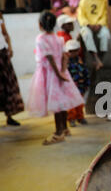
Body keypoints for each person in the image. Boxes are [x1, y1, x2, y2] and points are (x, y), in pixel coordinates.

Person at [27, 11, 84, 145]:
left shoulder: (41, 38)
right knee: (62, 102)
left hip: (50, 74)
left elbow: (50, 58)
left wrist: (58, 74)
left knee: (57, 104)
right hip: (60, 72)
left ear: (40, 25)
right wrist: (63, 71)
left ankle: (58, 132)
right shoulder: (58, 38)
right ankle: (64, 128)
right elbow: (65, 55)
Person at [0, 11, 24, 126]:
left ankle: (9, 116)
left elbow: (4, 33)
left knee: (8, 85)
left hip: (2, 53)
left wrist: (9, 46)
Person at [64, 39, 90, 127]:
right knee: (71, 104)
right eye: (71, 51)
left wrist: (87, 83)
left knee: (80, 103)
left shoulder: (80, 61)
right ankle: (71, 118)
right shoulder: (66, 63)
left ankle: (80, 117)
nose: (74, 53)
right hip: (70, 88)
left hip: (81, 86)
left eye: (75, 51)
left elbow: (85, 72)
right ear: (67, 52)